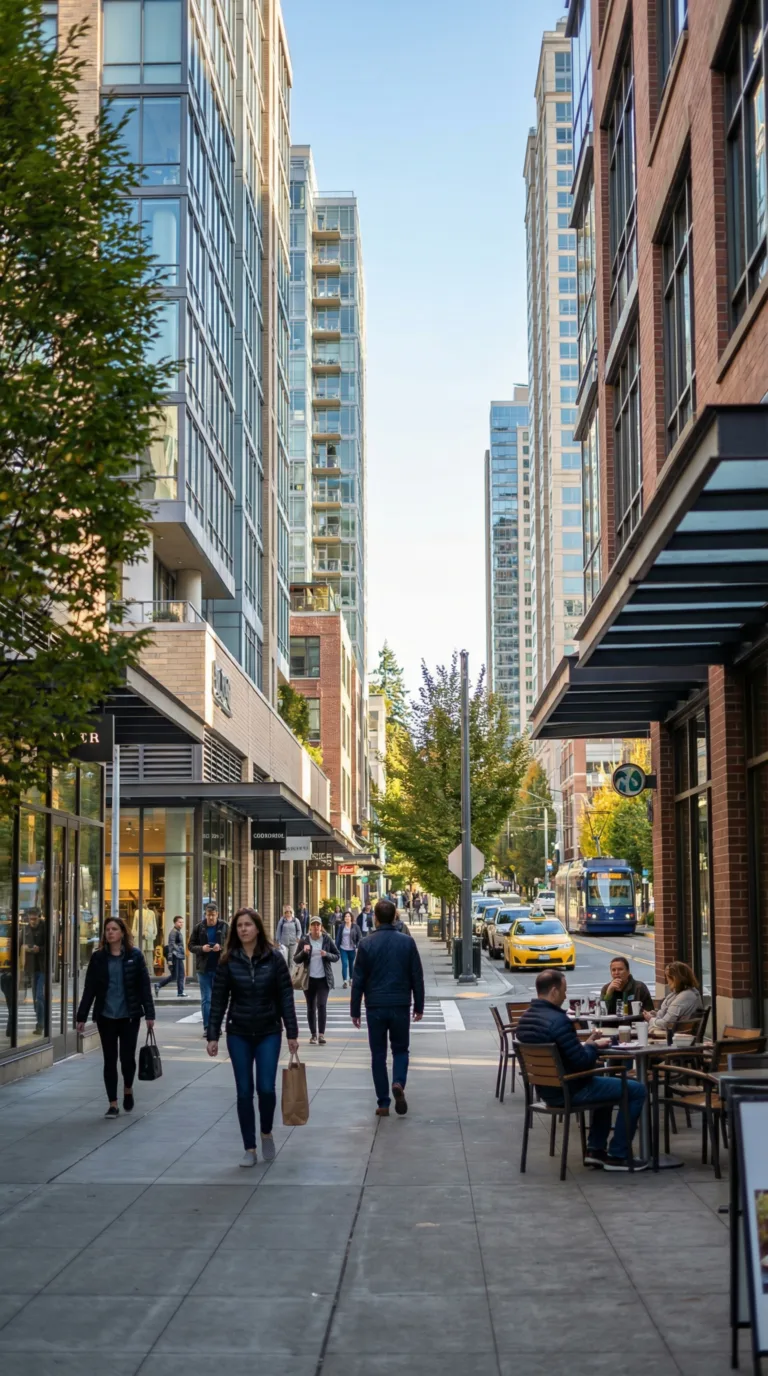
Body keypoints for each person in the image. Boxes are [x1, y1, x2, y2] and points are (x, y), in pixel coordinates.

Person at [515, 968, 647, 1171]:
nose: (566, 995)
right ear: (553, 991)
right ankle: (617, 1154)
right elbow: (581, 1062)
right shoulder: (559, 1021)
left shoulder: (525, 1020)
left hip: (546, 1089)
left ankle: (595, 1150)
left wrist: (587, 1045)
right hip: (571, 1088)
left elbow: (565, 1053)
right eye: (564, 991)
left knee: (607, 1086)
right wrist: (593, 1046)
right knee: (636, 1090)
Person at [207, 907, 298, 1167]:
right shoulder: (228, 960)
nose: (243, 929)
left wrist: (292, 1033)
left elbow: (285, 998)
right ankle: (250, 1148)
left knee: (266, 1089)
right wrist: (212, 1035)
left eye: (247, 925)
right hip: (239, 1032)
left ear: (258, 928)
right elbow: (218, 1000)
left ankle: (266, 1131)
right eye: (239, 926)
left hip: (269, 1030)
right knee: (244, 1092)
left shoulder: (274, 958)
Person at [350, 897, 425, 1118]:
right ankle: (398, 1082)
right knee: (401, 1050)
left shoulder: (365, 944)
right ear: (395, 917)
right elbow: (417, 977)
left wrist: (355, 1010)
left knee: (378, 1055)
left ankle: (383, 1102)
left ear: (375, 918)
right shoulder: (407, 942)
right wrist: (419, 1005)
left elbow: (358, 980)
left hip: (375, 1006)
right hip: (400, 1004)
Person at [76, 916, 155, 1118]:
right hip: (106, 1016)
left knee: (127, 1059)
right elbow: (90, 988)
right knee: (109, 1060)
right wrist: (82, 1015)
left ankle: (128, 1088)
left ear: (122, 932)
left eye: (114, 929)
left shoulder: (135, 956)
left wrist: (150, 1014)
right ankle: (112, 1104)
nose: (110, 932)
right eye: (107, 929)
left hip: (129, 1016)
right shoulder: (98, 958)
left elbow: (144, 986)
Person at [294, 918, 339, 1045]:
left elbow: (337, 955)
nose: (316, 927)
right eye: (313, 925)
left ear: (321, 926)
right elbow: (296, 959)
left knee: (322, 1005)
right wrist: (304, 952)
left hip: (324, 979)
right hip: (308, 979)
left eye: (318, 925)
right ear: (310, 927)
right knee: (310, 1007)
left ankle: (321, 1034)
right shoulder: (304, 940)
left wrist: (326, 954)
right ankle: (313, 1034)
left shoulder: (327, 939)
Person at [189, 904, 229, 1039]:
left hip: (220, 968)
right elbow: (191, 946)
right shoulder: (199, 927)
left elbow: (233, 945)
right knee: (207, 999)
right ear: (205, 914)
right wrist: (202, 948)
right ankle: (207, 1027)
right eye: (208, 914)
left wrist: (221, 947)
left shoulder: (224, 926)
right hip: (204, 969)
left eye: (213, 915)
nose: (210, 917)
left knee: (218, 999)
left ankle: (216, 1026)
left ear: (217, 914)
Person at [644, 961, 704, 1037]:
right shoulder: (681, 993)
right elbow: (668, 1014)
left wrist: (650, 1019)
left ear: (675, 979)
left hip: (677, 1036)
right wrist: (655, 1014)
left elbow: (666, 1023)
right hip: (675, 1032)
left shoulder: (685, 996)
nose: (667, 982)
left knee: (643, 1032)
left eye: (668, 978)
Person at [23, 908, 46, 1034]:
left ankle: (41, 1024)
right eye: (30, 918)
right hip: (32, 968)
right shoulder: (25, 930)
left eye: (34, 918)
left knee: (39, 996)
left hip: (43, 967)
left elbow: (51, 946)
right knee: (36, 998)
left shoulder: (45, 928)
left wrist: (40, 949)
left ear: (39, 917)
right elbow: (20, 944)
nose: (32, 921)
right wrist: (24, 947)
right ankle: (41, 1021)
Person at [155, 915, 187, 998]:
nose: (181, 924)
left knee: (181, 974)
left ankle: (180, 992)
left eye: (182, 922)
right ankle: (159, 984)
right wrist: (170, 960)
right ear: (175, 923)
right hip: (175, 956)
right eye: (179, 922)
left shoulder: (177, 931)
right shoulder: (173, 932)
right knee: (175, 976)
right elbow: (171, 946)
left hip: (178, 956)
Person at [335, 910, 361, 987]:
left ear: (351, 918)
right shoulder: (341, 926)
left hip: (352, 949)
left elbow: (359, 938)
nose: (347, 917)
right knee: (344, 964)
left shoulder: (356, 927)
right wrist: (336, 948)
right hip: (343, 948)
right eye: (346, 916)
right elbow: (338, 937)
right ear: (344, 918)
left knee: (351, 965)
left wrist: (357, 947)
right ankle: (345, 981)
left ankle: (351, 979)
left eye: (348, 916)